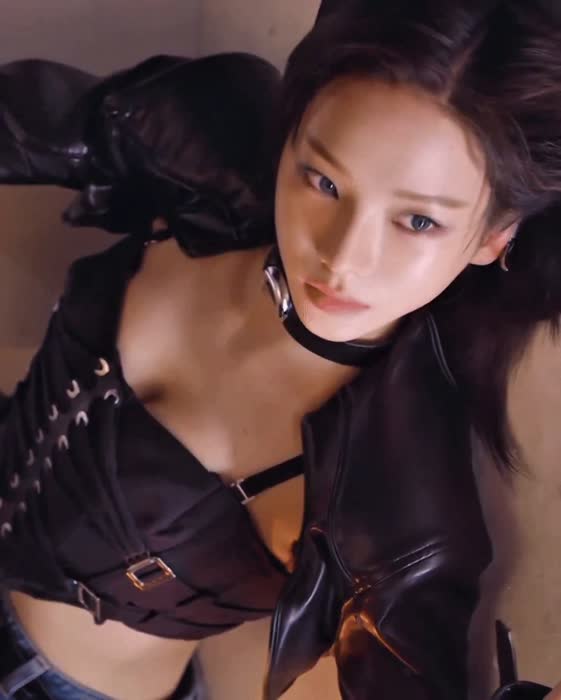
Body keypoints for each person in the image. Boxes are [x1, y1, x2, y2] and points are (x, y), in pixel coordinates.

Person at [0, 0, 559, 698]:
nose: (342, 257)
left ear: (493, 238)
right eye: (322, 181)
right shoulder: (211, 146)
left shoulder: (395, 494)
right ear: (289, 134)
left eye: (417, 221)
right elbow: (28, 120)